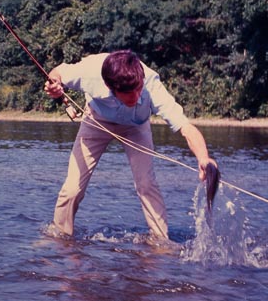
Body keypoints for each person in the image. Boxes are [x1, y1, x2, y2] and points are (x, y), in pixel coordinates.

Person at [44, 50, 217, 240]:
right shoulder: (90, 72)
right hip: (96, 121)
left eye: (138, 88)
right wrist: (55, 86)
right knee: (72, 189)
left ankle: (161, 242)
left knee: (146, 184)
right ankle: (59, 238)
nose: (136, 95)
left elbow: (185, 127)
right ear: (111, 88)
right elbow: (57, 72)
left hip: (136, 127)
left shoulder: (151, 84)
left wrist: (204, 157)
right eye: (129, 92)